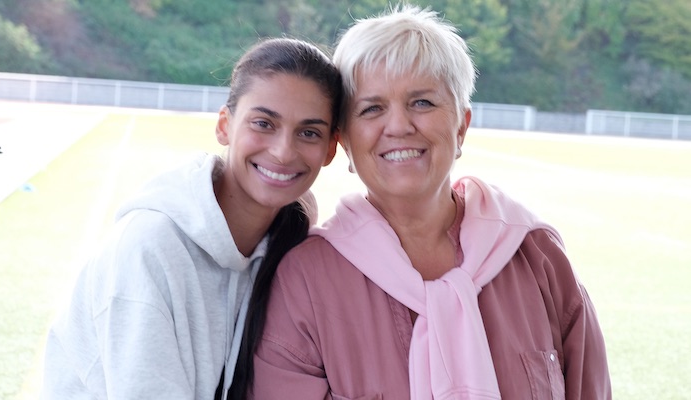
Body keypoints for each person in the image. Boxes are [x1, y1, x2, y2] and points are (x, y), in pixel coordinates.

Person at [249, 5, 611, 400]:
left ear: (461, 126)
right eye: (372, 108)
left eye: (422, 102)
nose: (400, 126)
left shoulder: (536, 257)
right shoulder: (306, 279)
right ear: (344, 142)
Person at [40, 37, 342, 400]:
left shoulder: (292, 244)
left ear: (330, 149)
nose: (282, 151)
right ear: (224, 126)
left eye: (308, 132)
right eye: (263, 123)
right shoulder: (148, 249)